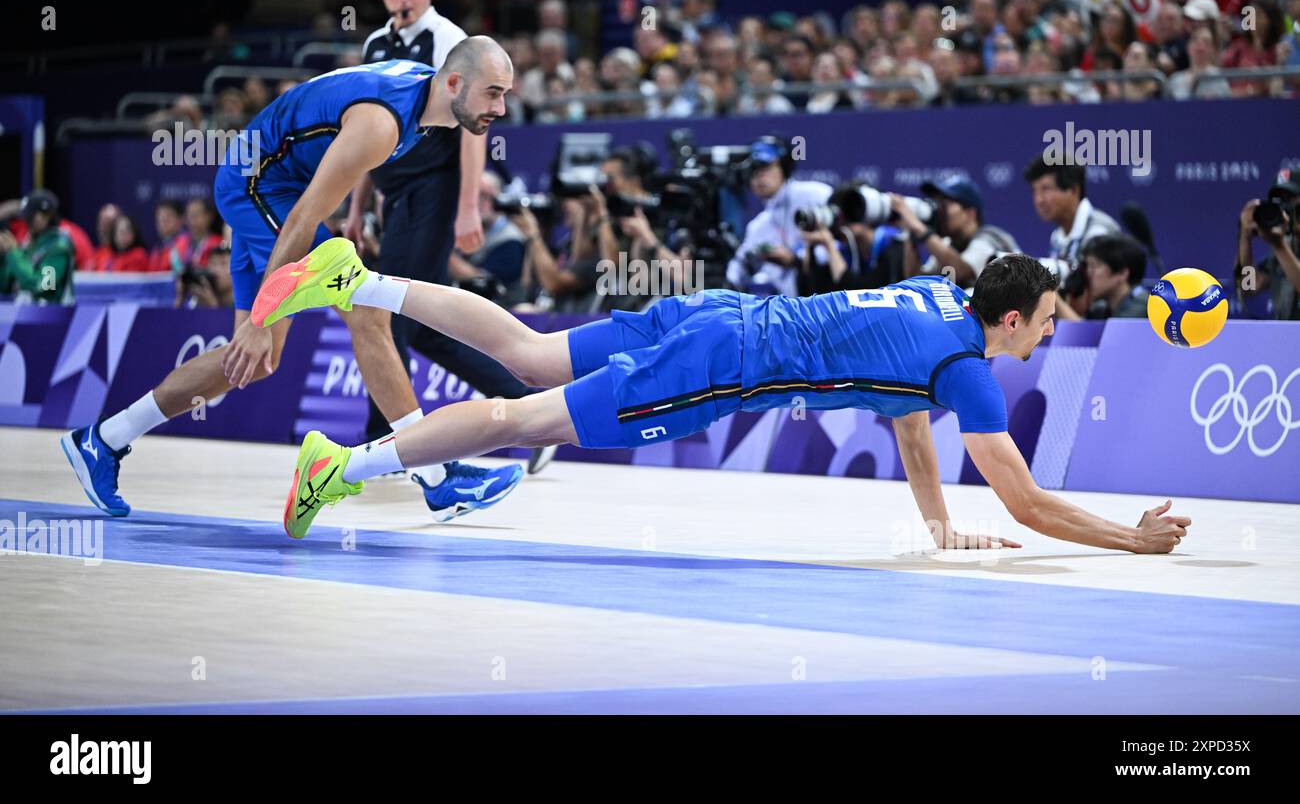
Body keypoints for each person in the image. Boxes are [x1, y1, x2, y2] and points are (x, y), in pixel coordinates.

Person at [260, 239, 1192, 555]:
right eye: (1049, 321)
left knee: (530, 349)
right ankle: (342, 468)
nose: (1053, 334)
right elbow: (1025, 501)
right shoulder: (971, 373)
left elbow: (910, 421)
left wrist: (939, 526)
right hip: (718, 371)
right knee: (518, 416)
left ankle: (355, 278)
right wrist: (1132, 538)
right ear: (1015, 320)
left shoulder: (940, 301)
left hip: (717, 311)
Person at [59, 39, 525, 522]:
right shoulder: (383, 123)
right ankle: (437, 477)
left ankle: (104, 439)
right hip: (261, 186)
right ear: (453, 82)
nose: (501, 107)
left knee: (256, 361)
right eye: (492, 93)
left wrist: (352, 216)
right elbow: (303, 218)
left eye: (504, 94)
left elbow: (327, 141)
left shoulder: (416, 94)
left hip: (264, 177)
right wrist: (264, 314)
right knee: (365, 310)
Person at [349, 0, 554, 476]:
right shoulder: (375, 44)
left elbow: (473, 125)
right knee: (428, 325)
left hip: (434, 194)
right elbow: (367, 133)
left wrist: (466, 208)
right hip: (396, 197)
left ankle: (385, 446)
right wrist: (356, 207)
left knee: (385, 313)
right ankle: (531, 411)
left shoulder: (450, 43)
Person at [725, 137, 832, 297]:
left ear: (785, 167)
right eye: (753, 170)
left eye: (765, 167)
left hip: (828, 298)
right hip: (788, 312)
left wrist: (795, 260)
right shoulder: (757, 227)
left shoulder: (815, 195)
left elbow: (843, 247)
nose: (758, 176)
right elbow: (738, 269)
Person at [895, 178, 1020, 290]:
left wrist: (919, 228)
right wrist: (910, 232)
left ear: (970, 213)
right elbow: (917, 282)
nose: (939, 211)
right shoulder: (948, 244)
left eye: (945, 205)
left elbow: (960, 272)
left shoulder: (991, 238)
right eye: (937, 203)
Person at [1022, 156, 1119, 278]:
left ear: (1074, 190)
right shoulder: (1058, 235)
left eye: (1046, 189)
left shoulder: (1099, 233)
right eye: (1034, 191)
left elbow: (1094, 292)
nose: (1039, 200)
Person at [1236, 171, 1300, 320]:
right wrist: (1245, 237)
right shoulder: (1283, 251)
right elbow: (1249, 286)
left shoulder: (1282, 248)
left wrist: (1279, 246)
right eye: (1280, 201)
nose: (1286, 209)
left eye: (1292, 201)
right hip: (1285, 338)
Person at [0, 189, 75, 304]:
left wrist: (13, 253)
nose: (26, 222)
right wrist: (3, 257)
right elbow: (5, 286)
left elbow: (45, 286)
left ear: (46, 216)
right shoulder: (29, 243)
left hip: (53, 317)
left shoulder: (59, 246)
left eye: (30, 218)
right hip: (24, 313)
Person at [1053, 234, 1149, 320]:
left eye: (1094, 266)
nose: (1087, 273)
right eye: (1087, 266)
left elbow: (1113, 338)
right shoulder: (1100, 309)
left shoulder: (1143, 305)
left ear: (1122, 273)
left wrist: (1055, 299)